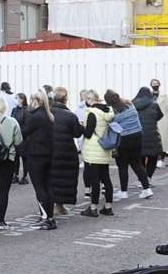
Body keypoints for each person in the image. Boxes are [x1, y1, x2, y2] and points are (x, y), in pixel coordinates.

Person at [19, 91, 57, 228]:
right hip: (48, 154)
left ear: (35, 101)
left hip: (36, 155)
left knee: (39, 187)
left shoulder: (35, 116)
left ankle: (47, 218)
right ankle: (48, 216)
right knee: (47, 186)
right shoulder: (49, 115)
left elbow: (23, 132)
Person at [106, 91, 151, 200]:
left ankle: (124, 191)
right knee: (137, 164)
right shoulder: (130, 105)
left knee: (122, 166)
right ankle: (146, 189)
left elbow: (110, 123)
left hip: (124, 139)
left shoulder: (114, 113)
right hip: (138, 135)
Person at [47, 87, 83, 219]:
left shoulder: (47, 113)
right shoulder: (70, 115)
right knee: (64, 178)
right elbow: (77, 133)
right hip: (67, 150)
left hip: (50, 149)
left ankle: (52, 205)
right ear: (66, 99)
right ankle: (60, 205)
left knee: (52, 178)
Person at [79, 91, 116, 217]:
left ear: (89, 99)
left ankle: (93, 208)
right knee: (106, 178)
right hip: (105, 148)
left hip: (93, 149)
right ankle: (108, 207)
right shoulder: (108, 111)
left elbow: (88, 133)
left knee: (94, 180)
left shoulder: (92, 113)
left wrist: (82, 127)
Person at [133, 86, 163, 183]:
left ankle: (141, 179)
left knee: (139, 158)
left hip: (138, 134)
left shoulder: (133, 104)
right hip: (152, 134)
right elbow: (160, 116)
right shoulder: (154, 104)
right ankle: (148, 177)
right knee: (153, 157)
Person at [151, 78, 168, 163]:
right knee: (154, 140)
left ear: (159, 85)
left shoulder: (164, 95)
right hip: (152, 121)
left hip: (163, 120)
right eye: (153, 84)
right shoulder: (149, 95)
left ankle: (162, 159)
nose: (155, 85)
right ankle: (155, 159)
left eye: (156, 83)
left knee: (163, 140)